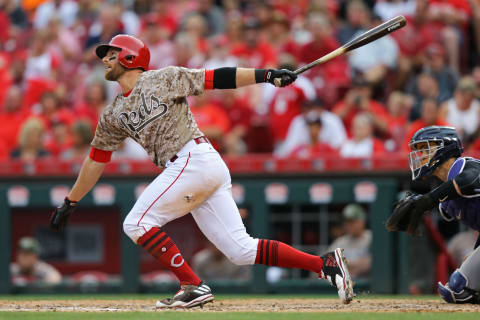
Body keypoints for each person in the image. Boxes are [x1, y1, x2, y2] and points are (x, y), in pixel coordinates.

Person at [49, 34, 354, 308]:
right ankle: (323, 264)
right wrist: (71, 201)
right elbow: (96, 159)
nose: (104, 59)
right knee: (241, 251)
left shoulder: (162, 78)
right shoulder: (113, 113)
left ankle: (192, 285)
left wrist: (267, 75)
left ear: (129, 57)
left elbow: (216, 78)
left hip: (192, 158)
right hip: (194, 168)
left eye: (111, 54)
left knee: (137, 223)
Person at [385, 125, 480, 304]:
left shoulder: (467, 166)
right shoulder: (447, 199)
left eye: (426, 149)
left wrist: (429, 199)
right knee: (456, 291)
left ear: (445, 149)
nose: (421, 156)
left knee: (460, 286)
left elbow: (469, 180)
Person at [328, 204, 372, 279]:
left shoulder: (370, 238)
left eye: (351, 222)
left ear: (362, 221)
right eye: (346, 222)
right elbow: (327, 264)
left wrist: (344, 265)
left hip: (367, 287)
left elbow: (369, 265)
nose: (347, 225)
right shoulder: (340, 241)